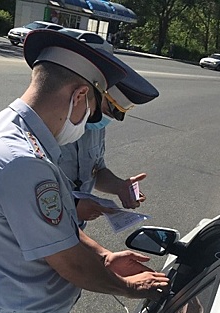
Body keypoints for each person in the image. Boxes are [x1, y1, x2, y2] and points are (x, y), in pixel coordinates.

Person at [0, 29, 169, 313]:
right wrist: (129, 287)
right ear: (80, 95)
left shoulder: (17, 132)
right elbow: (68, 261)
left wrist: (105, 256)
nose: (89, 120)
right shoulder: (23, 161)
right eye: (94, 110)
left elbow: (55, 230)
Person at [59, 52, 159, 227]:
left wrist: (119, 186)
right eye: (110, 108)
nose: (109, 117)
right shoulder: (49, 126)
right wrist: (71, 207)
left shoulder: (94, 126)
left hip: (74, 228)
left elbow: (96, 171)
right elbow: (25, 191)